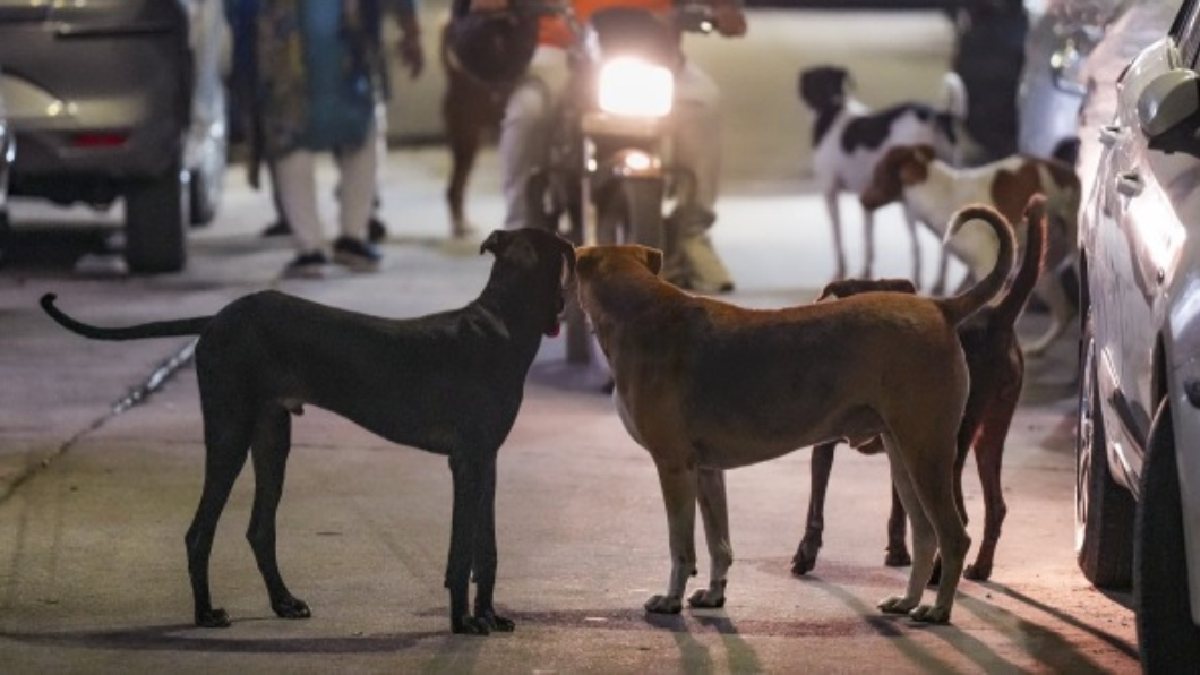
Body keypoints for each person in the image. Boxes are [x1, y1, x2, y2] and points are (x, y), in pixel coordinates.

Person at [469, 0, 744, 293]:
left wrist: (723, 12)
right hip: (563, 49)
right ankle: (521, 238)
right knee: (529, 113)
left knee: (704, 102)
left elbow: (727, 12)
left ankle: (692, 234)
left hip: (652, 52)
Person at [225, 0, 423, 278]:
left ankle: (340, 240)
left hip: (340, 50)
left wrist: (410, 26)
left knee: (356, 135)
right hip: (290, 51)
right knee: (297, 141)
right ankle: (319, 245)